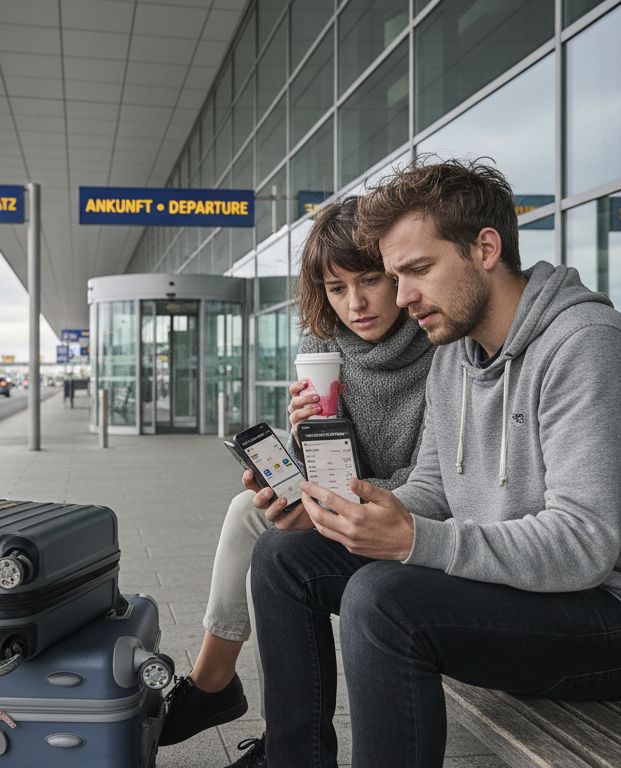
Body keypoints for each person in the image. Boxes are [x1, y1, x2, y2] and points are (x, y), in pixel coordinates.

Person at [249, 158, 621, 768]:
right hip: (515, 587)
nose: (403, 297)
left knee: (384, 601)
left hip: (615, 621)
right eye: (396, 274)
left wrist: (414, 542)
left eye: (417, 270)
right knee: (285, 557)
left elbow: (584, 544)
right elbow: (434, 487)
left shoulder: (590, 347)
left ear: (485, 247)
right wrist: (340, 514)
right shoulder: (455, 353)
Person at [157, 197, 434, 766]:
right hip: (357, 493)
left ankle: (227, 702)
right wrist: (305, 437)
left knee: (282, 556)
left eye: (371, 280)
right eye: (336, 288)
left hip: (417, 516)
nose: (355, 303)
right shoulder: (323, 343)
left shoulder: (438, 342)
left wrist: (329, 501)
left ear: (396, 273)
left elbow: (433, 480)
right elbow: (333, 465)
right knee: (251, 509)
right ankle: (215, 682)